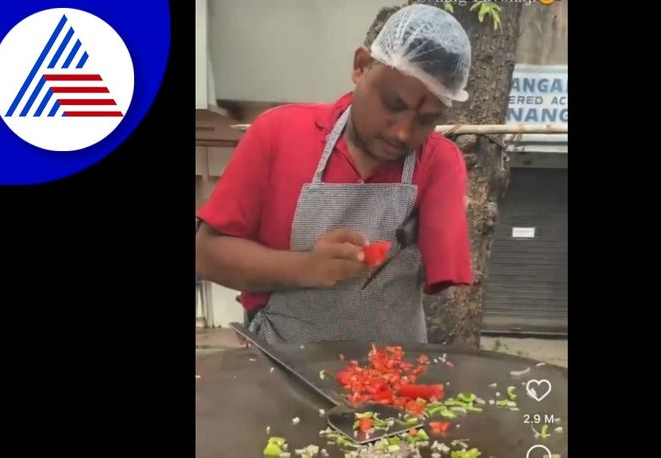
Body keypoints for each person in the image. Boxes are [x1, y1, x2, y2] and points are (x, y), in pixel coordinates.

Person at [195, 4, 473, 343]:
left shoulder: (439, 162)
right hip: (283, 364)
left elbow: (444, 279)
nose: (402, 133)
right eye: (392, 104)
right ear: (360, 66)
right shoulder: (279, 134)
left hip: (394, 375)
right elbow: (206, 254)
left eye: (426, 119)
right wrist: (306, 268)